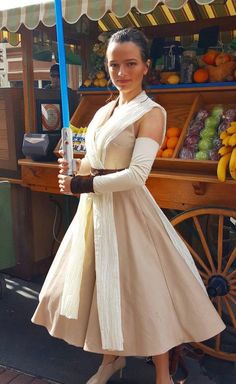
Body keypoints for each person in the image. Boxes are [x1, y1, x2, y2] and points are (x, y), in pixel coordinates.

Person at [32, 28, 225, 384]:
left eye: (130, 64)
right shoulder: (105, 110)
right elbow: (93, 158)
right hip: (96, 213)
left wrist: (83, 183)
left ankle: (163, 374)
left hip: (130, 213)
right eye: (114, 65)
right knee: (103, 289)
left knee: (147, 292)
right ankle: (111, 360)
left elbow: (137, 175)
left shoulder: (151, 113)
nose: (121, 73)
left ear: (146, 67)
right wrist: (75, 165)